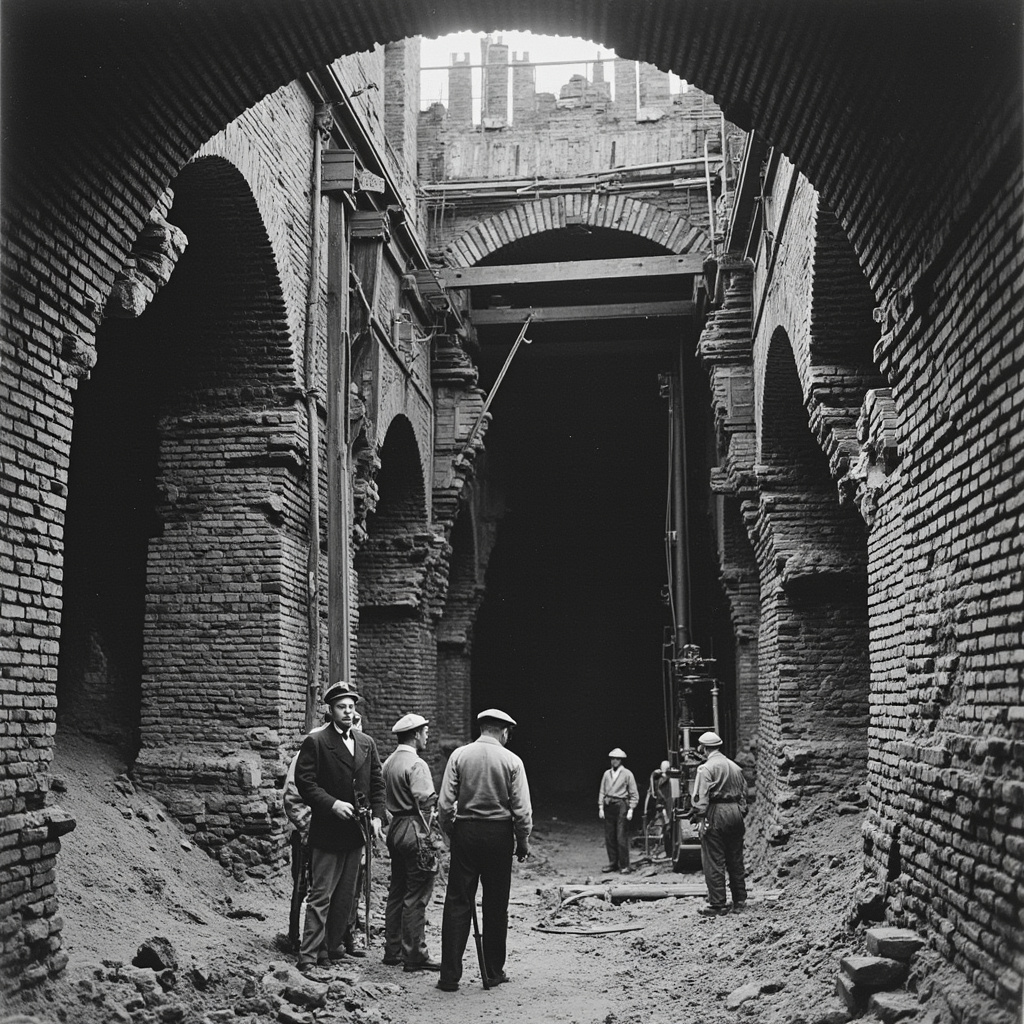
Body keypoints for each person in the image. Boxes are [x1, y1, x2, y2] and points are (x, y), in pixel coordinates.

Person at [436, 709, 533, 993]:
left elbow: (444, 804)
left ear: (481, 728)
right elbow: (522, 809)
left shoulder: (459, 756)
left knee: (456, 902)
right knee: (495, 904)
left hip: (466, 832)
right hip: (498, 836)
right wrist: (522, 840)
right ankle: (492, 971)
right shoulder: (512, 760)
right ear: (504, 732)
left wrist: (450, 830)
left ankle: (449, 976)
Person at [295, 682, 385, 972]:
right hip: (328, 831)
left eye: (351, 707)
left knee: (345, 897)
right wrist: (332, 804)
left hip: (356, 832)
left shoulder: (366, 742)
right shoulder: (317, 742)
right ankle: (309, 955)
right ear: (330, 710)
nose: (347, 712)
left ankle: (331, 949)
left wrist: (377, 817)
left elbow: (377, 784)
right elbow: (305, 783)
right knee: (321, 895)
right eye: (341, 707)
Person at [381, 713, 442, 973]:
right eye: (425, 731)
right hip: (415, 829)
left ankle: (392, 950)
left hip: (395, 828)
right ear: (416, 734)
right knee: (417, 895)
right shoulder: (417, 765)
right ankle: (415, 955)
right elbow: (427, 801)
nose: (427, 736)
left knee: (397, 890)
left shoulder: (389, 762)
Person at [690, 731, 747, 916]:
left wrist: (699, 817)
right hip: (735, 813)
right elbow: (744, 795)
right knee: (735, 858)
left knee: (714, 859)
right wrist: (738, 812)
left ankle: (718, 904)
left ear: (704, 748)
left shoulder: (706, 768)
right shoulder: (735, 767)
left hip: (716, 812)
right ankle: (739, 900)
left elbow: (701, 798)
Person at [598, 747, 639, 874]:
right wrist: (600, 807)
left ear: (621, 760)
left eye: (617, 759)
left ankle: (625, 864)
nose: (614, 761)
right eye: (612, 759)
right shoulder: (606, 774)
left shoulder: (627, 774)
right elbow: (602, 791)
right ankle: (613, 863)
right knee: (609, 836)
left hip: (621, 804)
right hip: (609, 804)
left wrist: (631, 808)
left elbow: (634, 793)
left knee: (621, 836)